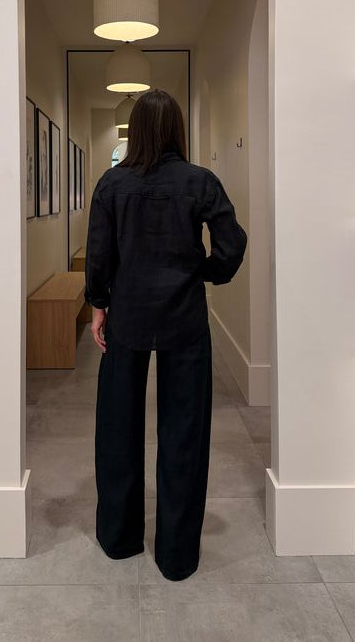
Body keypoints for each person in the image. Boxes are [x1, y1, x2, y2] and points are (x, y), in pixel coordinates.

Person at [84, 88, 247, 582]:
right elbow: (232, 244)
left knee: (118, 427)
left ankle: (120, 539)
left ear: (136, 130)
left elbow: (99, 253)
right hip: (184, 318)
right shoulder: (200, 181)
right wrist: (204, 272)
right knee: (185, 432)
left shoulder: (112, 184)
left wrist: (98, 305)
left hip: (128, 316)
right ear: (176, 128)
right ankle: (176, 556)